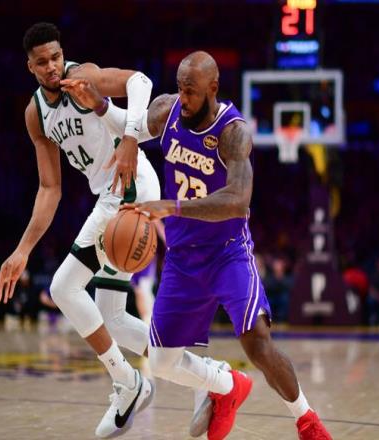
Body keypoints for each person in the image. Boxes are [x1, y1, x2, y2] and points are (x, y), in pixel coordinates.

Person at [66, 50, 332, 439]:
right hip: (182, 259)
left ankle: (307, 421)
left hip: (227, 253)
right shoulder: (168, 110)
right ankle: (226, 386)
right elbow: (129, 126)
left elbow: (237, 200)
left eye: (191, 91)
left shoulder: (233, 132)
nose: (184, 98)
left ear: (213, 87)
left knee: (257, 343)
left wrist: (172, 207)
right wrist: (101, 106)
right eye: (180, 88)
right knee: (161, 363)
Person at [0, 22, 160, 438]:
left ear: (62, 53)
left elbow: (141, 81)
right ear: (30, 67)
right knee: (113, 319)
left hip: (129, 185)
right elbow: (50, 189)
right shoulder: (36, 114)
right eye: (42, 62)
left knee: (64, 287)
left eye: (55, 57)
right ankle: (207, 376)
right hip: (110, 194)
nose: (52, 66)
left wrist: (129, 137)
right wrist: (22, 250)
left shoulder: (84, 76)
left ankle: (128, 383)